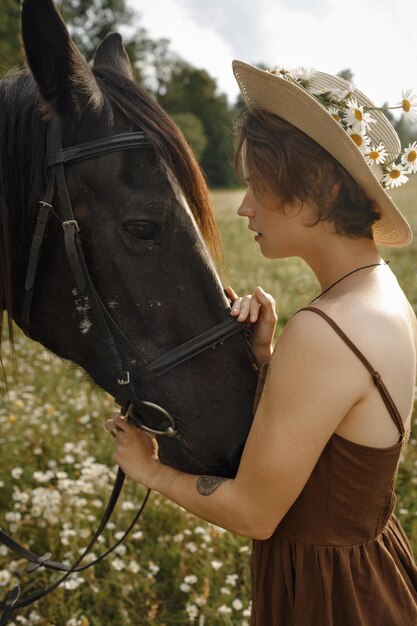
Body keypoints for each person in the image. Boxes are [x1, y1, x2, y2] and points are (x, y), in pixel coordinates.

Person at [105, 61, 417, 624]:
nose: (244, 206)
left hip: (327, 598)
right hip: (373, 572)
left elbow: (254, 513)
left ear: (316, 187)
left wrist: (151, 470)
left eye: (256, 185)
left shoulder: (324, 331)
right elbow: (338, 446)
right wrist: (266, 359)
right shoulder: (383, 294)